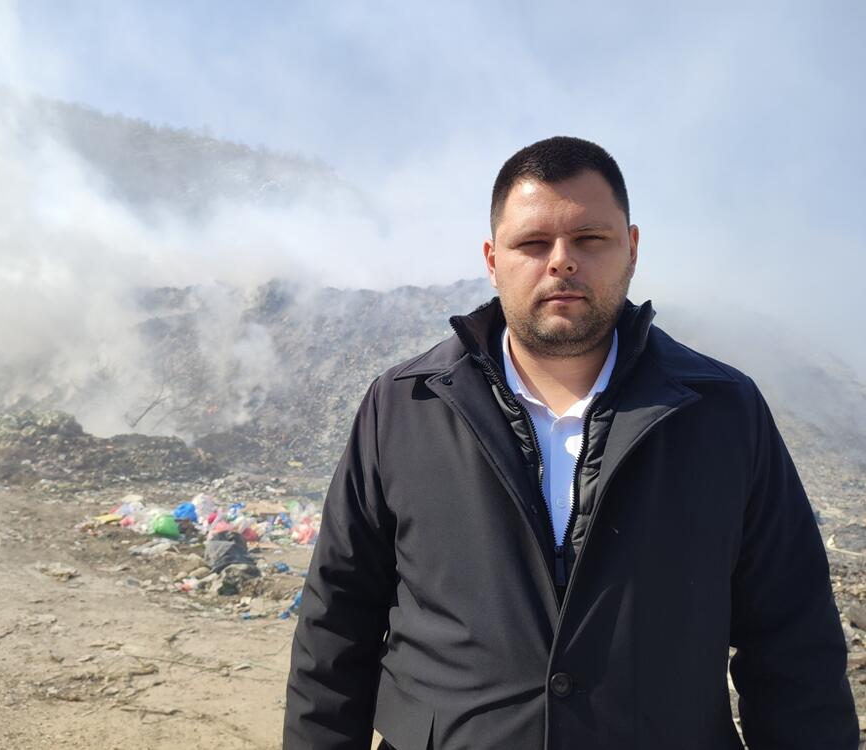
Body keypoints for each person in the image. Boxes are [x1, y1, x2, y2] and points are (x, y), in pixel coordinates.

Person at [283, 136, 858, 749]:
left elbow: (794, 641)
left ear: (631, 248)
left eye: (589, 239)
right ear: (492, 259)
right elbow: (337, 622)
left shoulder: (723, 412)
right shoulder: (405, 406)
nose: (561, 262)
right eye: (533, 243)